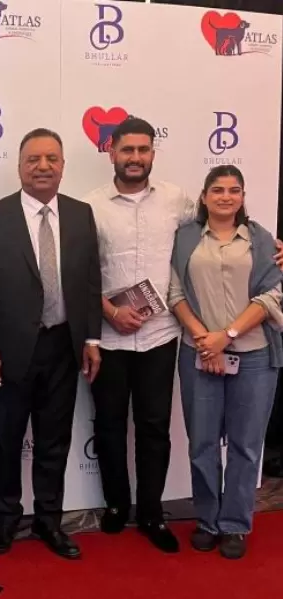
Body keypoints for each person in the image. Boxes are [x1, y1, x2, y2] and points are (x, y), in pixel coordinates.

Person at [0, 128, 102, 560]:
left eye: (51, 159)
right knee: (7, 440)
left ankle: (49, 521)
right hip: (9, 352)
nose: (43, 166)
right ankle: (7, 519)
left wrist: (91, 338)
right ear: (19, 166)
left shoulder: (81, 214)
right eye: (33, 159)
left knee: (54, 441)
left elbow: (90, 281)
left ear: (63, 165)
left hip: (63, 346)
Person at [81, 117, 194, 552]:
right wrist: (110, 311)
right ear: (111, 151)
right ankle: (115, 505)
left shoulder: (176, 199)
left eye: (143, 150)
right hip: (108, 337)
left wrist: (265, 244)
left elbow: (219, 222)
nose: (135, 157)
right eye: (127, 149)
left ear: (152, 153)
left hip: (160, 335)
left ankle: (151, 512)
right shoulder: (90, 206)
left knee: (154, 428)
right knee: (109, 426)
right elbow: (79, 273)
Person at [169, 165, 283, 560]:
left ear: (242, 197)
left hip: (254, 357)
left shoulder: (262, 239)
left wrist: (227, 336)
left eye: (234, 190)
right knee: (201, 443)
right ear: (204, 197)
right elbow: (174, 292)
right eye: (217, 190)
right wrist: (206, 341)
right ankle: (207, 521)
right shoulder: (185, 238)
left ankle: (235, 524)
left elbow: (271, 296)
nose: (225, 196)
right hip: (199, 351)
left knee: (245, 446)